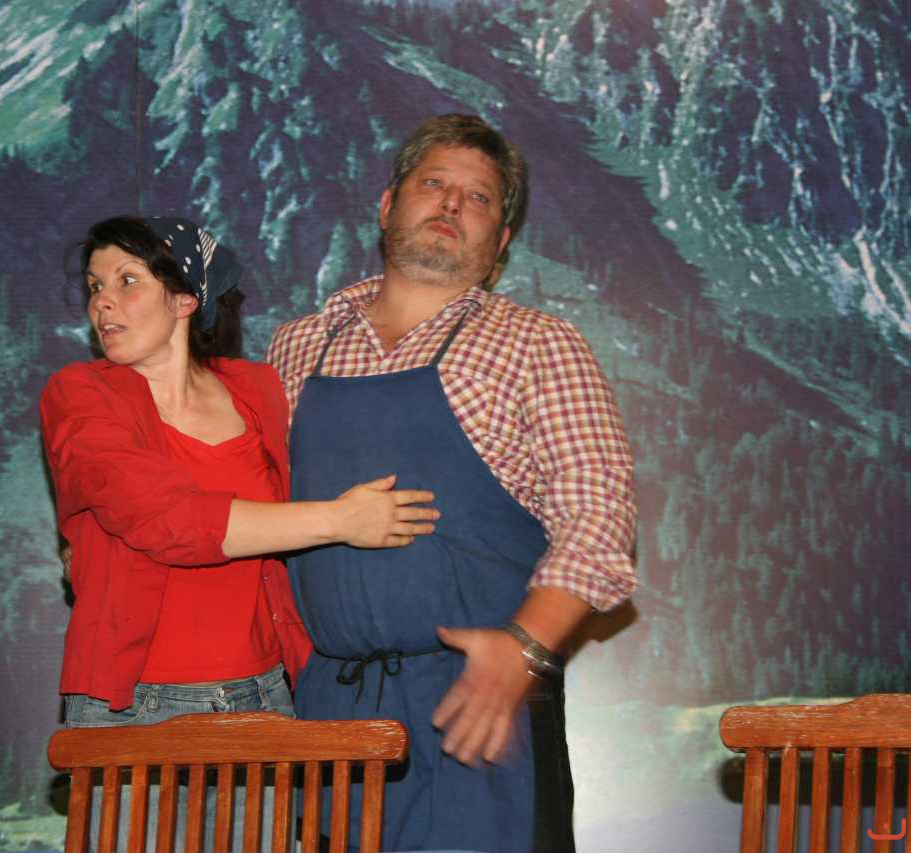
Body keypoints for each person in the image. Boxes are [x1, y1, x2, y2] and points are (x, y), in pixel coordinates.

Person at [267, 114, 638, 852]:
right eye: (433, 183)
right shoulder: (298, 345)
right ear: (387, 205)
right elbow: (245, 505)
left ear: (501, 242)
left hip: (479, 709)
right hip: (327, 716)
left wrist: (522, 648)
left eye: (479, 198)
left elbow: (600, 520)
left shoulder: (538, 344)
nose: (451, 204)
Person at [37, 214, 438, 755]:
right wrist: (341, 520)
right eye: (95, 286)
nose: (102, 302)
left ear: (185, 298)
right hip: (132, 707)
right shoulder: (80, 394)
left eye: (126, 280)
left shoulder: (258, 389)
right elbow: (167, 521)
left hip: (264, 694)